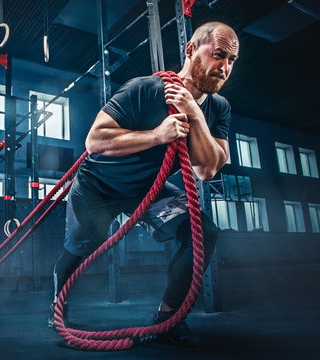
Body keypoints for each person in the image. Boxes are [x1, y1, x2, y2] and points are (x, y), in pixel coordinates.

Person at [48, 21, 239, 346]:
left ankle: (167, 320)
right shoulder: (146, 89)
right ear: (191, 50)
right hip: (99, 186)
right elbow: (94, 140)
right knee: (78, 249)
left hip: (147, 190)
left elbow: (207, 169)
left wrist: (193, 111)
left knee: (203, 233)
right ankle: (57, 311)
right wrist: (156, 136)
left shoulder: (217, 108)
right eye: (219, 55)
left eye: (231, 60)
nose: (224, 68)